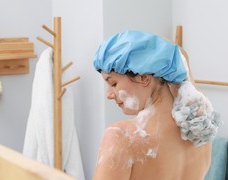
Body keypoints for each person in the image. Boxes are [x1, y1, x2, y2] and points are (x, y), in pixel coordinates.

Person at [92, 30, 221, 180]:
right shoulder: (200, 131)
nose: (109, 94)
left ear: (143, 77)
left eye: (113, 83)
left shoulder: (122, 137)